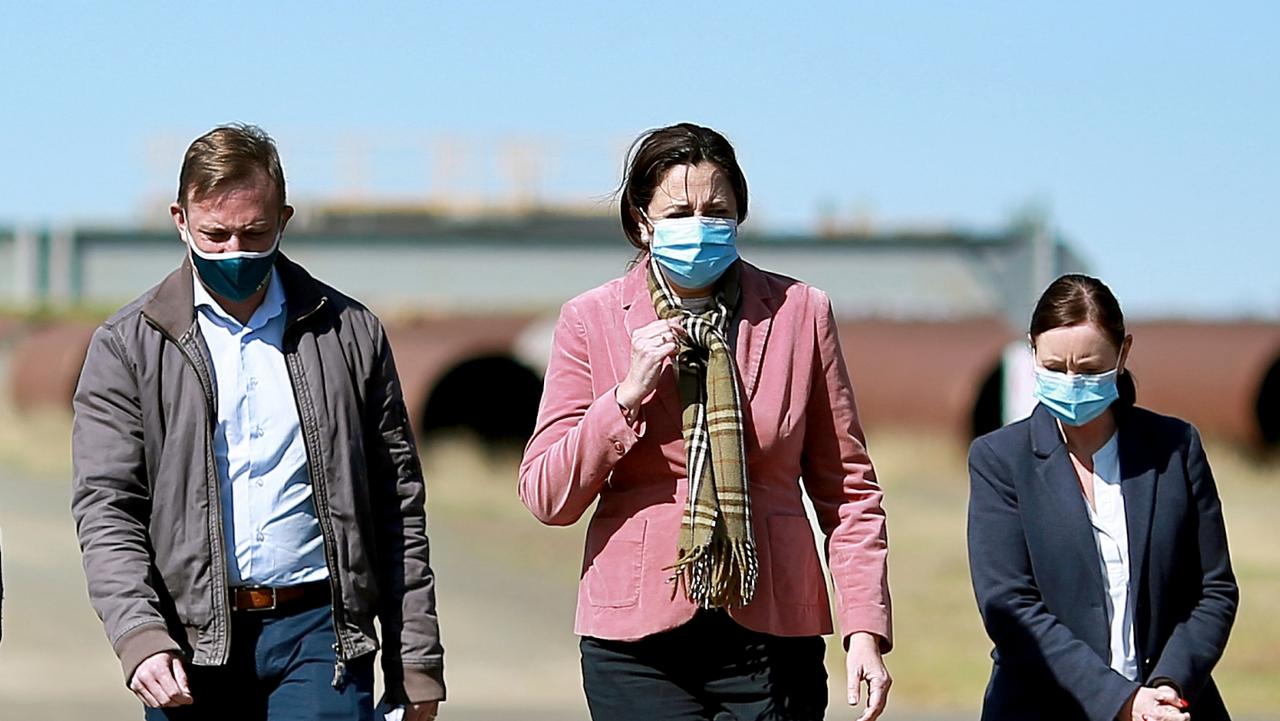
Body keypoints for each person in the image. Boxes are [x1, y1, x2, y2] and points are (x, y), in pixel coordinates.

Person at [518, 123, 893, 721]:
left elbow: (848, 491)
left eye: (716, 209)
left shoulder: (800, 313)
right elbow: (546, 494)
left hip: (773, 628)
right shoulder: (590, 320)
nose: (699, 224)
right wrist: (625, 396)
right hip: (636, 643)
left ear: (740, 214)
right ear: (642, 221)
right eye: (679, 211)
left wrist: (865, 632)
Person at [71, 124, 444, 721]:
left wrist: (416, 661)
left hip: (323, 637)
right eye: (215, 236)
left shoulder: (350, 333)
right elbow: (107, 506)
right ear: (179, 219)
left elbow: (397, 504)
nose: (234, 253)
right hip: (191, 643)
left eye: (254, 233)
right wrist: (139, 638)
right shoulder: (127, 346)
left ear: (284, 219)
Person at [967, 274, 1238, 721]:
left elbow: (1214, 590)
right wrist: (1121, 702)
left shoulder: (1175, 447)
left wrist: (1166, 688)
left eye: (1090, 369)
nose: (1071, 382)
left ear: (1123, 353)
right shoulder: (999, 460)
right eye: (1054, 367)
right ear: (1032, 351)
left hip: (1171, 709)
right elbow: (1009, 604)